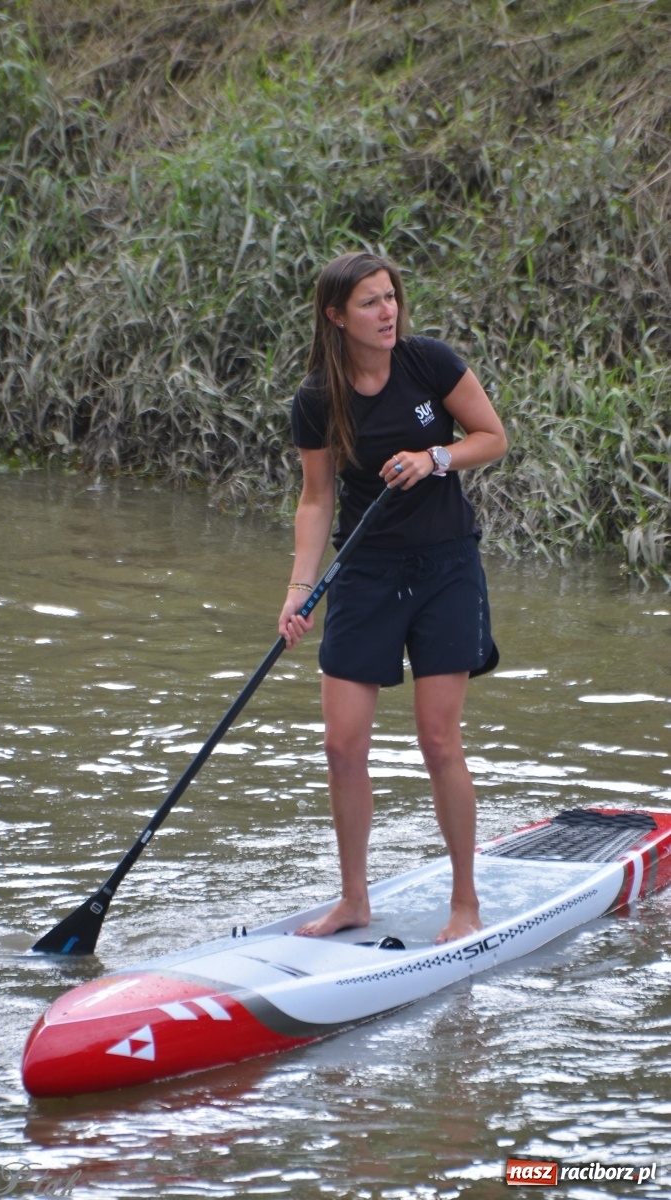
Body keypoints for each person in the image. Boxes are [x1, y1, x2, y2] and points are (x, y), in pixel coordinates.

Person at [278, 250, 508, 944]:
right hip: (366, 572)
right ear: (335, 316)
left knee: (437, 739)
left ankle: (464, 903)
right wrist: (299, 590)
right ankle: (353, 900)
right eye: (370, 302)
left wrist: (433, 458)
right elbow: (316, 499)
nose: (388, 312)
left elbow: (491, 438)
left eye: (391, 297)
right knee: (341, 745)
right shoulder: (317, 399)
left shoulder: (428, 362)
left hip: (445, 568)